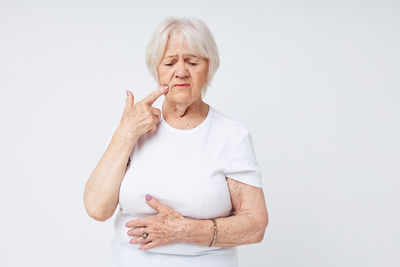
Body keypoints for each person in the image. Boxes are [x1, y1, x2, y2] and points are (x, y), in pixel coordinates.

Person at [83, 16, 269, 267]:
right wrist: (125, 133)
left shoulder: (232, 136)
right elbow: (97, 208)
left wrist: (184, 230)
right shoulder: (131, 129)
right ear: (157, 70)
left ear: (208, 68)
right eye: (170, 62)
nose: (181, 71)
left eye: (192, 62)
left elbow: (255, 225)